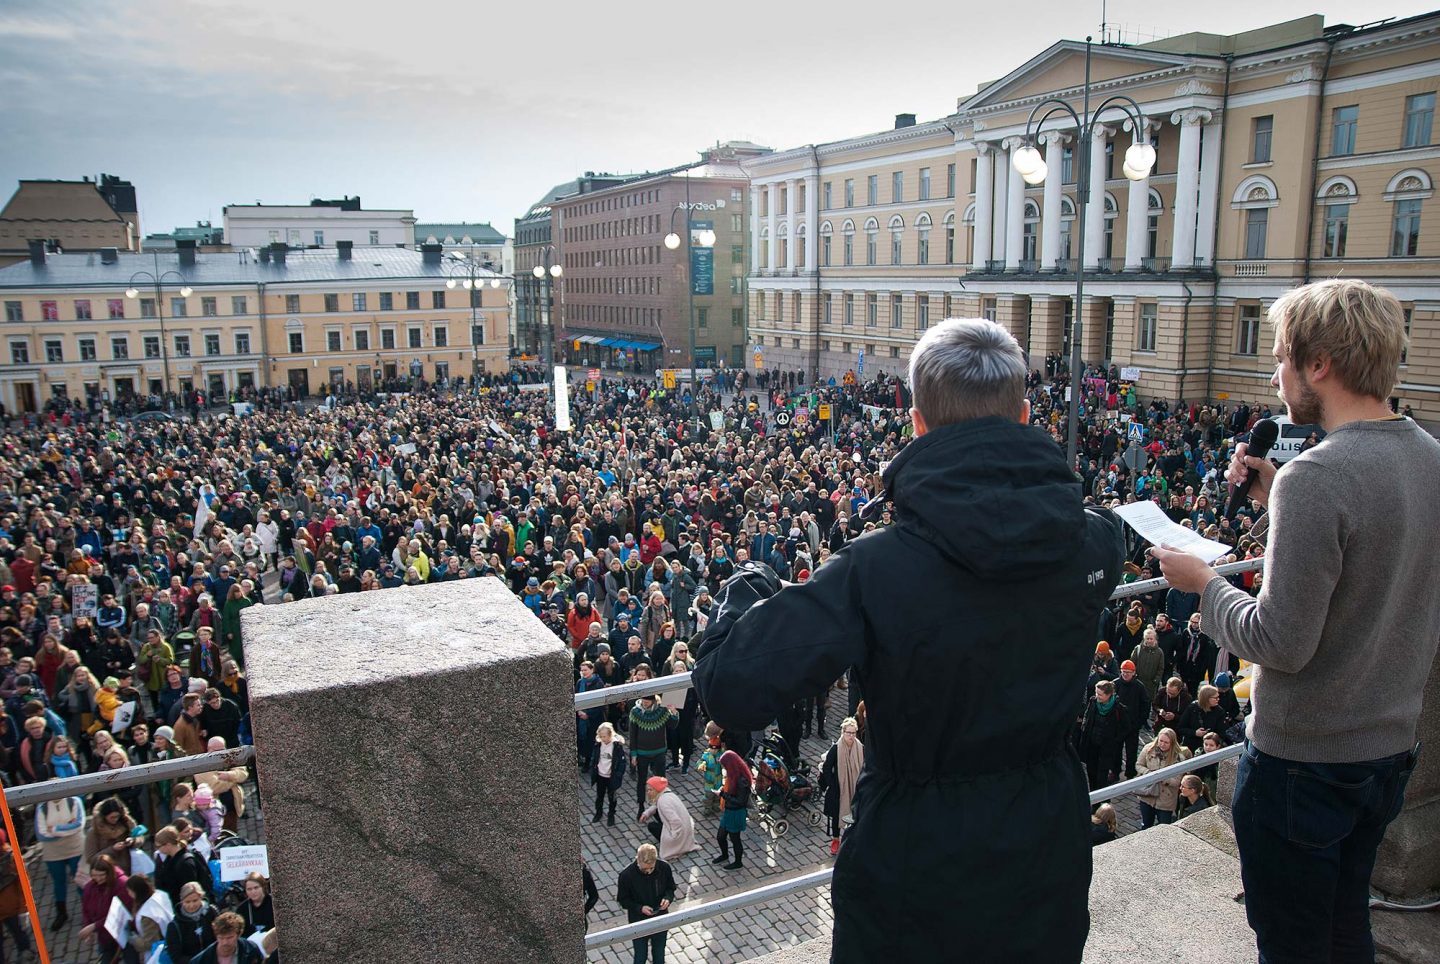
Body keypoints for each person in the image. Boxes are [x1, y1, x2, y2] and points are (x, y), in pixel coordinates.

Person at [695, 320, 1124, 961]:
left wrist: (751, 581)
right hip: (1045, 841)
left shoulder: (875, 569)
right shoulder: (1096, 541)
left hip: (915, 859)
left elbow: (729, 687)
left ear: (917, 424)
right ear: (1027, 415)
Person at [1151, 278, 1440, 963]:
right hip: (1387, 752)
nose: (1273, 373)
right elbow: (1377, 546)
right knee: (1345, 929)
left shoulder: (1319, 477)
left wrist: (1202, 585)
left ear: (1319, 364)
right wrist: (1277, 494)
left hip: (1304, 767)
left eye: (1280, 357)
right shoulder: (1428, 457)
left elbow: (1279, 641)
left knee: (1292, 948)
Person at [615, 843, 675, 964]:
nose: (648, 871)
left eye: (651, 868)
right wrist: (639, 908)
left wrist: (667, 898)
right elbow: (623, 900)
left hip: (660, 918)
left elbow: (671, 888)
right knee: (640, 957)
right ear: (638, 859)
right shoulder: (626, 875)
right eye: (644, 869)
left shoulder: (664, 868)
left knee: (659, 955)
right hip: (638, 921)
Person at [35, 792, 86, 931]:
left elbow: (79, 825)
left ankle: (88, 911)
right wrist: (68, 828)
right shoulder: (42, 807)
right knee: (59, 883)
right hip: (53, 854)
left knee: (81, 879)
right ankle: (61, 913)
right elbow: (41, 834)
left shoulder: (74, 801)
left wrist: (55, 829)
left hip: (76, 849)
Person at [820, 717, 864, 856]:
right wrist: (833, 784)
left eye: (853, 733)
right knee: (836, 814)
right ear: (843, 732)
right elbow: (827, 768)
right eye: (848, 733)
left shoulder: (860, 748)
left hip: (855, 787)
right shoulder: (836, 749)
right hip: (839, 787)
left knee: (856, 814)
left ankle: (852, 840)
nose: (851, 736)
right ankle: (835, 840)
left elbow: (864, 767)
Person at [79, 854, 133, 963]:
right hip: (105, 937)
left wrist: (93, 926)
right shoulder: (90, 887)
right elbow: (86, 909)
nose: (97, 879)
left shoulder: (122, 884)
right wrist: (88, 926)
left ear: (109, 872)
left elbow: (120, 914)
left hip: (126, 935)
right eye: (94, 875)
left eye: (101, 875)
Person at [1079, 679, 1129, 792]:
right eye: (1096, 693)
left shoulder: (1119, 709)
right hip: (1092, 746)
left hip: (1106, 750)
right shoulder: (1093, 702)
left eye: (1100, 694)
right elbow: (1087, 717)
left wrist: (1115, 740)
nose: (1097, 696)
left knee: (1101, 777)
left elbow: (1125, 728)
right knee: (1091, 774)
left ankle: (1102, 801)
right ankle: (1093, 800)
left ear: (1108, 695)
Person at [1134, 728, 1189, 828]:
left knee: (1164, 827)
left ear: (1172, 743)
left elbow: (1177, 781)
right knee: (1146, 825)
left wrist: (1164, 779)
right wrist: (1149, 773)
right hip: (1148, 795)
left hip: (1166, 799)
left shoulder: (1179, 758)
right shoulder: (1148, 749)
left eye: (1166, 742)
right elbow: (1139, 765)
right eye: (1161, 741)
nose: (1162, 744)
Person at [712, 738, 751, 871]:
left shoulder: (742, 781)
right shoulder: (734, 776)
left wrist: (722, 795)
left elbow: (740, 801)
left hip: (736, 813)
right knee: (720, 836)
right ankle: (724, 855)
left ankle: (738, 862)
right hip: (730, 811)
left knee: (735, 839)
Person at [639, 776, 698, 862]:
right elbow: (656, 805)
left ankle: (675, 846)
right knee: (656, 813)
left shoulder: (663, 802)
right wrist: (647, 813)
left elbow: (676, 822)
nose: (648, 792)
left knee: (652, 826)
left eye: (650, 790)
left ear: (657, 790)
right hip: (686, 828)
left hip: (680, 832)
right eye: (647, 790)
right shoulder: (667, 794)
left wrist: (673, 837)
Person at [166, 880, 220, 964]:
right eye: (187, 902)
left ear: (201, 898)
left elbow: (220, 937)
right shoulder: (174, 926)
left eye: (195, 901)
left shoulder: (212, 913)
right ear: (181, 901)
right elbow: (176, 957)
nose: (191, 905)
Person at [190, 910, 265, 964]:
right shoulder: (201, 960)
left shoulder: (251, 950)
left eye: (229, 937)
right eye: (221, 938)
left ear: (238, 934)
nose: (225, 942)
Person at [589, 722, 627, 826]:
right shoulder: (598, 745)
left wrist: (618, 774)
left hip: (611, 777)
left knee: (612, 797)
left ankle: (611, 815)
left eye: (604, 736)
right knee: (599, 796)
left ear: (610, 735)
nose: (603, 739)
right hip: (601, 775)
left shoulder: (616, 746)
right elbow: (595, 757)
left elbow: (622, 762)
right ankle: (598, 812)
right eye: (601, 736)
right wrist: (594, 768)